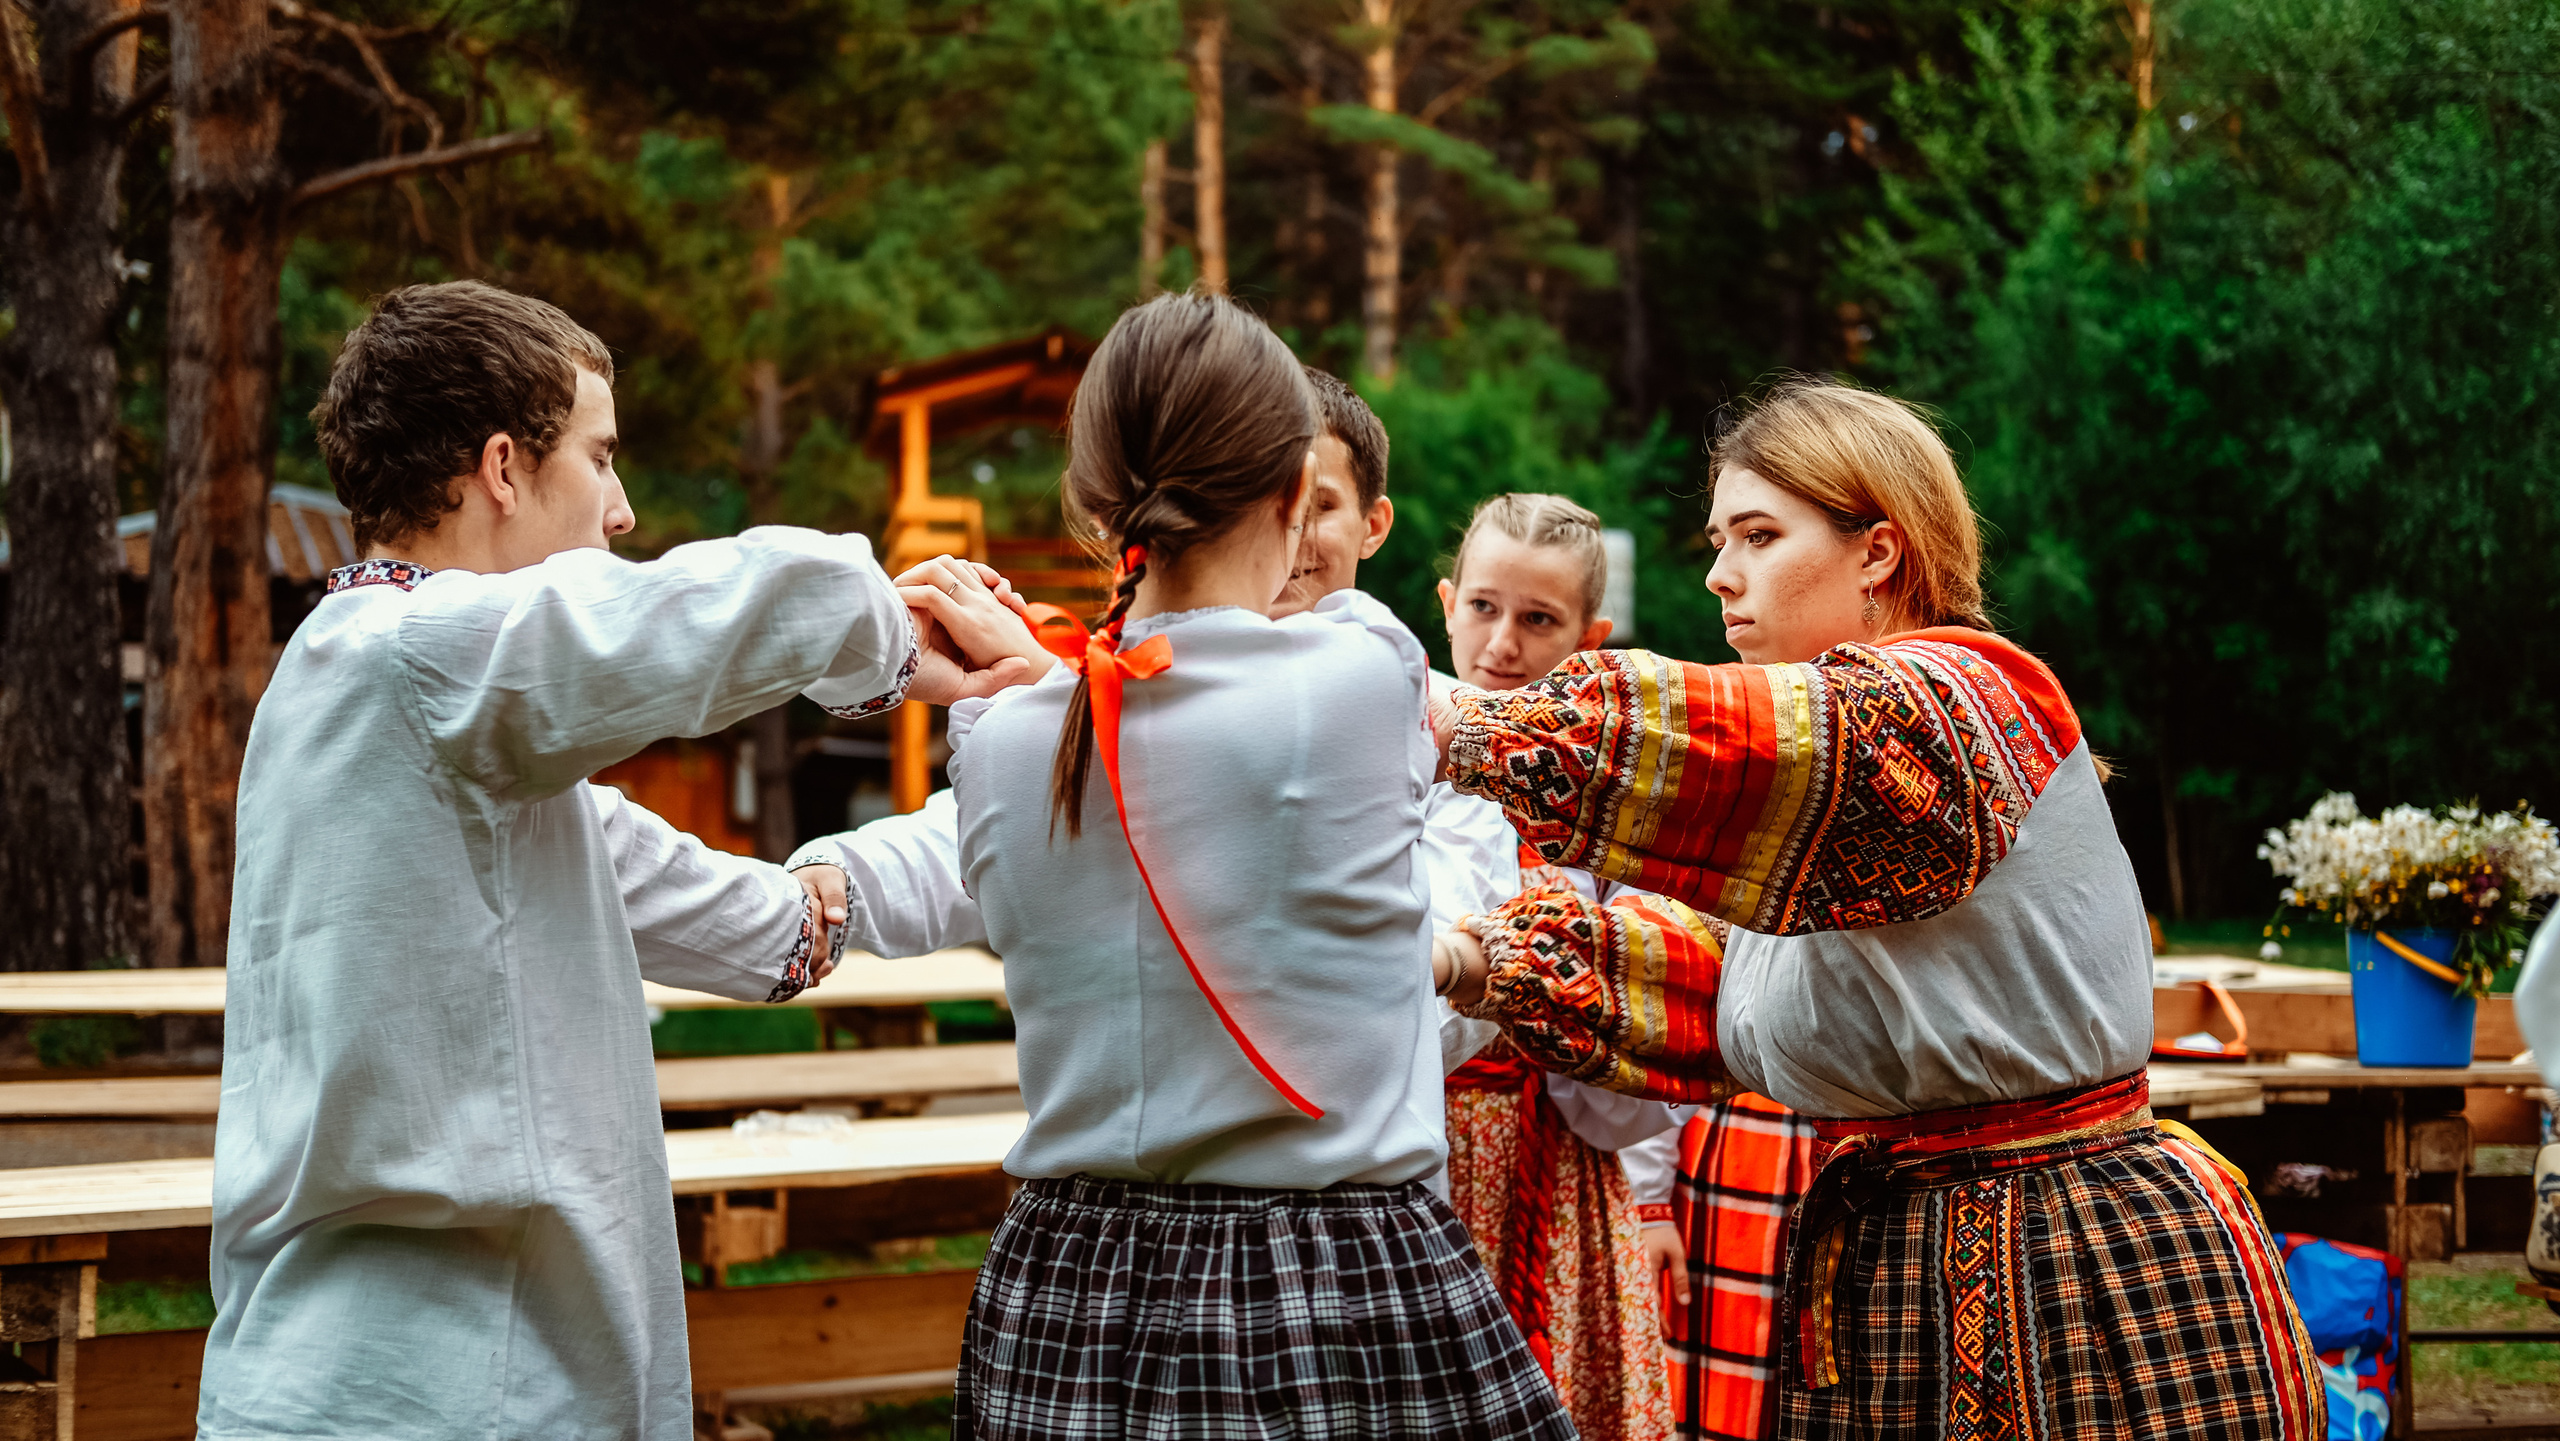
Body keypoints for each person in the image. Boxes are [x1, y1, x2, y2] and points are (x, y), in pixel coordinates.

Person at [198, 281, 1021, 1439]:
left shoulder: (468, 754)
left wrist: (1009, 754)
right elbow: (667, 626)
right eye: (599, 457)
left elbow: (781, 926)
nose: (623, 511)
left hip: (421, 1380)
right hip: (434, 1389)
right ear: (500, 469)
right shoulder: (406, 659)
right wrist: (886, 627)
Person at [1430, 379, 2325, 1438]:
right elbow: (1721, 983)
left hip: (2068, 1272)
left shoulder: (1966, 699)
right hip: (1909, 1267)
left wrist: (1446, 721)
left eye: (1758, 535)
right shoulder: (1835, 810)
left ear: (1878, 551)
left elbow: (1737, 745)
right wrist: (1457, 962)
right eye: (1719, 540)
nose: (1720, 573)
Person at [943, 291, 1571, 1438]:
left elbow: (1121, 701)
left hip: (1064, 1290)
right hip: (1333, 1276)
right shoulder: (1364, 671)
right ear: (1294, 493)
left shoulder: (995, 742)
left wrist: (1024, 667)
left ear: (1096, 506)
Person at [1431, 493, 1681, 1441]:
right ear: (1448, 602)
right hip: (1423, 1163)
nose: (1503, 642)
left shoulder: (1609, 804)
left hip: (1562, 1167)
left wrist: (1651, 1191)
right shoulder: (1395, 768)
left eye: (1539, 620)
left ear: (1590, 634)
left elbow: (1646, 1025)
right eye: (1485, 608)